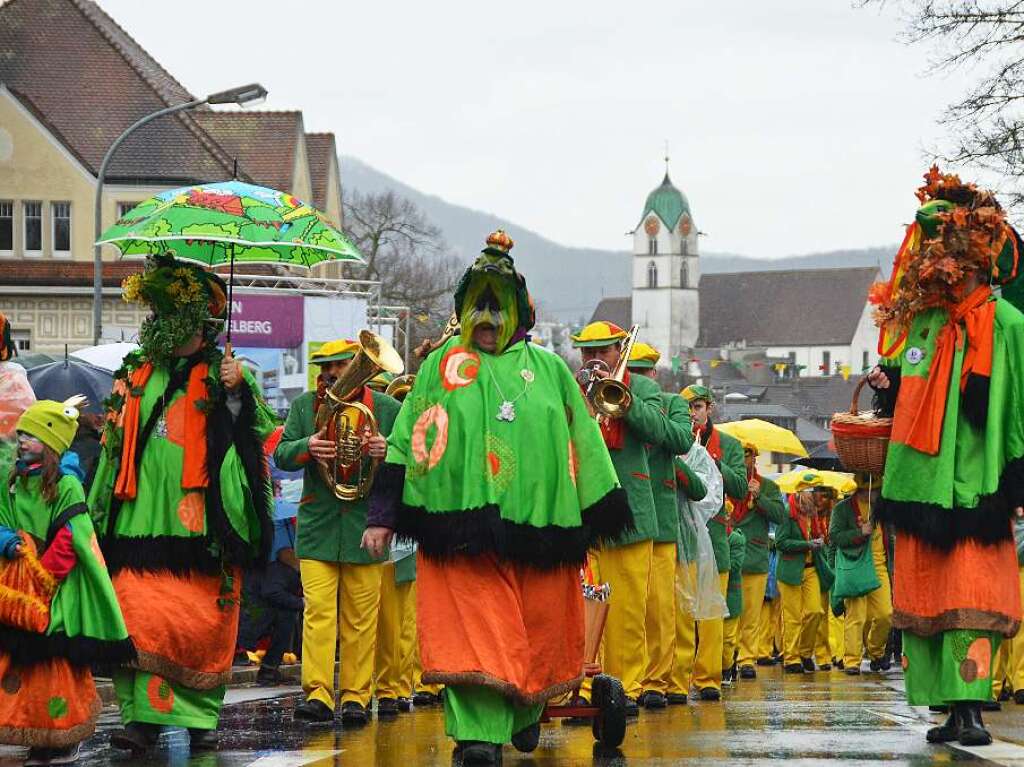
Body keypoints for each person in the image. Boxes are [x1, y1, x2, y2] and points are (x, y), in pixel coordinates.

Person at [364, 230, 632, 765]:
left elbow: (584, 445)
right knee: (472, 634)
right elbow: (407, 442)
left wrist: (599, 513)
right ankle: (477, 737)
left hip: (541, 534)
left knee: (535, 634)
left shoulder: (551, 371)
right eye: (477, 310)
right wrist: (383, 516)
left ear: (517, 312)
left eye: (497, 309)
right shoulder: (441, 369)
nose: (486, 322)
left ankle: (522, 711)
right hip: (458, 535)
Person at [88, 253, 275, 753]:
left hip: (201, 531)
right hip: (137, 527)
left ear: (195, 322)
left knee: (199, 623)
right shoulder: (136, 374)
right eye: (154, 314)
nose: (155, 323)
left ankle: (199, 718)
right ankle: (141, 721)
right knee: (135, 613)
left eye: (167, 314)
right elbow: (112, 449)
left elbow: (253, 437)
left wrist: (237, 395)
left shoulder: (225, 374)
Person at [868, 169, 1024, 746]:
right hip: (919, 482)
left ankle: (973, 705)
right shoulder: (921, 325)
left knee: (973, 593)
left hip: (977, 484)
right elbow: (907, 389)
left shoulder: (1006, 324)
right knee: (929, 594)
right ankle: (944, 704)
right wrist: (885, 387)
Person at [0, 399, 134, 765]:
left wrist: (44, 578)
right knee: (26, 664)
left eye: (32, 435)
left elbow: (72, 536)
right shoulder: (13, 480)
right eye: (21, 433)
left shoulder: (67, 486)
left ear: (52, 443)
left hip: (56, 586)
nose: (22, 440)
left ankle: (64, 733)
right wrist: (9, 545)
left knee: (57, 660)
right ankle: (38, 729)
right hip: (20, 579)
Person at [274, 338, 399, 725]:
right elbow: (281, 454)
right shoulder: (302, 406)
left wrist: (386, 448)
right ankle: (318, 694)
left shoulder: (386, 408)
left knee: (362, 618)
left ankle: (356, 698)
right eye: (323, 368)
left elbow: (411, 453)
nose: (329, 374)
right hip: (318, 527)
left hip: (367, 526)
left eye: (339, 366)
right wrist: (307, 445)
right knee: (319, 615)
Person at [569, 322, 691, 715]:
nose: (593, 360)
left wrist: (628, 404)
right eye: (587, 353)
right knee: (579, 604)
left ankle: (626, 690)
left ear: (619, 352)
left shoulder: (645, 390)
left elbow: (674, 439)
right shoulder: (570, 388)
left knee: (627, 613)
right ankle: (583, 688)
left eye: (601, 352)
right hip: (584, 507)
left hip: (632, 511)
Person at [625, 342, 693, 710]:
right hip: (621, 512)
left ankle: (656, 679)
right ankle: (614, 678)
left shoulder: (673, 403)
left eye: (641, 373)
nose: (635, 379)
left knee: (658, 606)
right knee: (617, 604)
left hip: (661, 517)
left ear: (653, 375)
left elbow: (681, 439)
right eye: (629, 372)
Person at [680, 385, 747, 701]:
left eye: (697, 407)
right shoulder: (676, 439)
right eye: (688, 408)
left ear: (709, 409)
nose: (693, 413)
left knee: (710, 615)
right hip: (683, 535)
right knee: (680, 612)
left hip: (716, 538)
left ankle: (708, 679)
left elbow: (741, 488)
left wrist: (714, 464)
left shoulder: (730, 445)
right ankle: (677, 680)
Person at [730, 443, 785, 680]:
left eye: (748, 455)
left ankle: (747, 660)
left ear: (755, 459)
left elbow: (779, 515)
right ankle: (727, 657)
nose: (744, 460)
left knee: (751, 614)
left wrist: (759, 496)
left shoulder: (769, 486)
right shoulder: (726, 483)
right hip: (729, 556)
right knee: (730, 613)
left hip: (755, 558)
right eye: (740, 455)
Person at [666, 447, 717, 704]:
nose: (692, 413)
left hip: (686, 546)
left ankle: (678, 682)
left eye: (697, 405)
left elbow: (702, 490)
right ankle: (651, 681)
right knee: (655, 614)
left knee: (684, 618)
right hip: (657, 536)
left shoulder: (697, 453)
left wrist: (674, 460)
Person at [829, 473, 891, 676]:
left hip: (880, 567)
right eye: (875, 490)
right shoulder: (842, 509)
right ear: (864, 490)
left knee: (886, 614)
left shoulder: (883, 510)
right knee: (856, 616)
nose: (878, 493)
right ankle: (852, 661)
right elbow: (835, 537)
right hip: (856, 566)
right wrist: (859, 533)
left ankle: (876, 651)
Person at [236, 499, 302, 687]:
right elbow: (284, 554)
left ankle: (270, 670)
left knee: (288, 612)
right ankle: (269, 669)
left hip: (260, 605)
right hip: (253, 612)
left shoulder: (287, 519)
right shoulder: (276, 519)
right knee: (288, 610)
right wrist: (303, 601)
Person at [775, 477, 832, 674]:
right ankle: (791, 659)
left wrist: (821, 540)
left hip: (811, 569)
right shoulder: (787, 512)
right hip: (791, 570)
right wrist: (807, 545)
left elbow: (816, 536)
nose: (819, 495)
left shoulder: (813, 513)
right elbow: (781, 543)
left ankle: (805, 652)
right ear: (803, 493)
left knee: (815, 611)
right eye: (814, 491)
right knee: (792, 618)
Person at [373, 545, 417, 716]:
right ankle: (366, 691)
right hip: (368, 551)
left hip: (401, 551)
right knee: (369, 624)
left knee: (399, 624)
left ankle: (396, 687)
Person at [722, 525, 746, 684]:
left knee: (728, 638)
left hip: (731, 595)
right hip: (712, 594)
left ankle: (727, 668)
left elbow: (735, 565)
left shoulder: (736, 539)